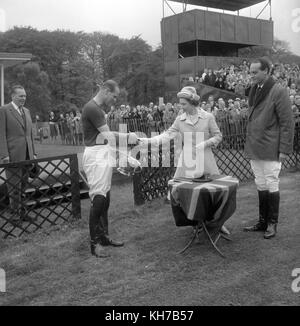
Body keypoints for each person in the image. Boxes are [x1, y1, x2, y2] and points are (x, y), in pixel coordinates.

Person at [139, 86, 230, 235]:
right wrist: (148, 141)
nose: (180, 107)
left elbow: (218, 136)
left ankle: (218, 223)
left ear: (192, 102)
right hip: (187, 161)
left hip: (206, 159)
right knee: (188, 194)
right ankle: (196, 223)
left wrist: (205, 143)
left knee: (212, 193)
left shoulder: (208, 117)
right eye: (180, 104)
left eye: (183, 104)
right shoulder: (180, 119)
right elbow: (167, 135)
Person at [81, 80, 139, 258]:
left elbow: (104, 138)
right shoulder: (92, 108)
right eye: (113, 96)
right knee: (98, 198)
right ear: (105, 90)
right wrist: (128, 136)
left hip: (102, 152)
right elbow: (107, 135)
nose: (114, 99)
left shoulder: (97, 109)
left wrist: (122, 154)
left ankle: (103, 237)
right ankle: (94, 244)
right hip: (95, 156)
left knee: (105, 197)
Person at [243, 57, 294, 239]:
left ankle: (272, 224)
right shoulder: (255, 89)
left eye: (255, 72)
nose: (252, 75)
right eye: (251, 72)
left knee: (272, 183)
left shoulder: (278, 90)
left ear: (267, 71)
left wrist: (284, 149)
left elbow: (287, 123)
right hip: (255, 145)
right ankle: (263, 221)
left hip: (271, 146)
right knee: (260, 183)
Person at [0, 85, 37, 225]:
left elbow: (30, 133)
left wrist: (34, 153)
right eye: (20, 96)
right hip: (12, 155)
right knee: (13, 187)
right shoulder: (4, 110)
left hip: (27, 155)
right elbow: (1, 134)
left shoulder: (26, 111)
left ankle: (23, 213)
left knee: (23, 185)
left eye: (25, 96)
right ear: (13, 96)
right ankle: (14, 216)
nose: (23, 98)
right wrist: (4, 155)